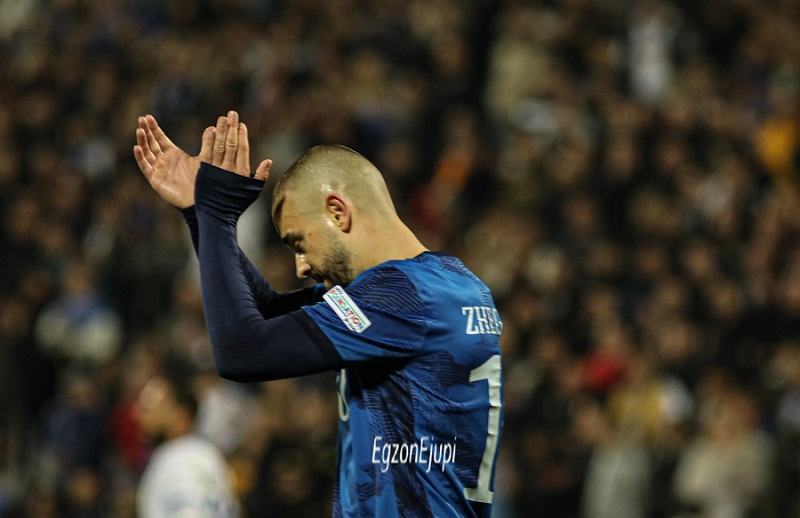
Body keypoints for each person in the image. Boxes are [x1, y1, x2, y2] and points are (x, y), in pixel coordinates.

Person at [132, 110, 504, 517]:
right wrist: (200, 215)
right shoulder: (445, 284)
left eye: (299, 243)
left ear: (338, 212)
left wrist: (218, 214)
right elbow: (268, 314)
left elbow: (242, 350)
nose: (301, 267)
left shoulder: (403, 297)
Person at [136, 369, 238, 518]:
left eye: (151, 406)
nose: (141, 415)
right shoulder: (202, 454)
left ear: (181, 414)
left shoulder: (180, 459)